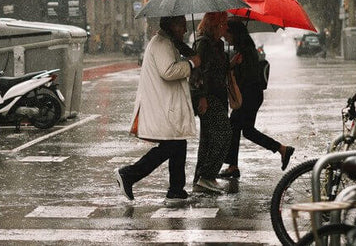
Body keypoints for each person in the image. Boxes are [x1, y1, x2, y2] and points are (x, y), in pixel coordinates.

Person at [115, 15, 201, 201]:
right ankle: (129, 174)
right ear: (172, 25)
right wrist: (192, 64)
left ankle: (176, 189)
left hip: (166, 103)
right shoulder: (162, 43)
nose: (185, 30)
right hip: (163, 105)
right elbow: (168, 71)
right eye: (182, 26)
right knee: (170, 145)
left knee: (178, 143)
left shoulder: (168, 42)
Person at [219, 20, 294, 179]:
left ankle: (234, 166)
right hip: (251, 95)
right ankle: (281, 149)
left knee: (237, 128)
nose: (225, 37)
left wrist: (234, 67)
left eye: (227, 33)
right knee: (244, 130)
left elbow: (247, 77)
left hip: (249, 95)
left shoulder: (245, 51)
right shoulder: (244, 49)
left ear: (235, 33)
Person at [191, 11, 232, 193]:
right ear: (214, 25)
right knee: (224, 133)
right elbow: (197, 72)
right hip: (208, 97)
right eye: (223, 23)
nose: (226, 27)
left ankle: (200, 179)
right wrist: (201, 97)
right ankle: (207, 175)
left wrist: (231, 64)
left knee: (208, 138)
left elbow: (217, 69)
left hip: (219, 95)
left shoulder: (218, 44)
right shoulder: (202, 44)